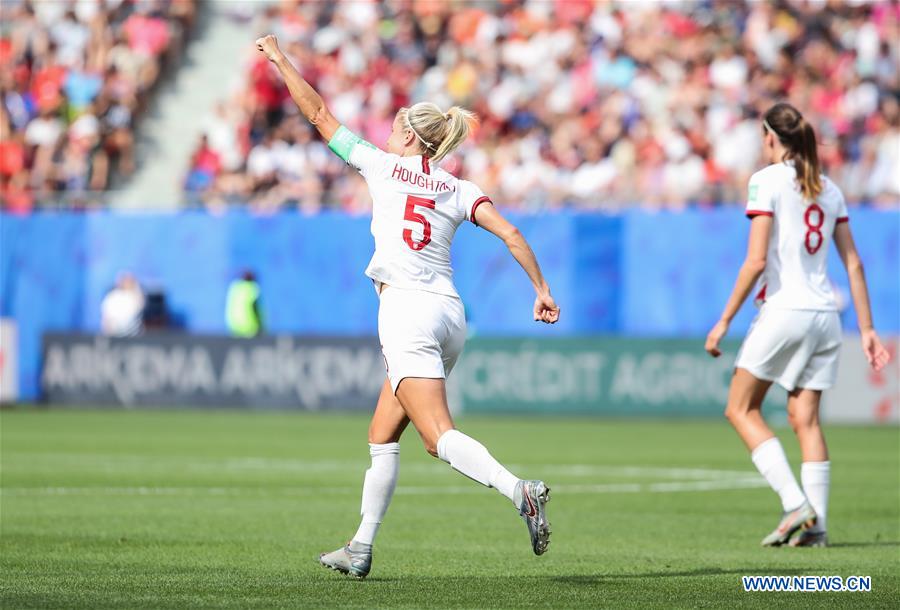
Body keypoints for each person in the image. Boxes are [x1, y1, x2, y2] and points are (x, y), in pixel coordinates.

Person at [256, 34, 561, 578]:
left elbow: (319, 113)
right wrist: (540, 289)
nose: (386, 134)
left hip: (406, 313)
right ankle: (360, 546)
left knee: (437, 436)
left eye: (395, 127)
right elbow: (511, 232)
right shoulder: (459, 187)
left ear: (410, 138)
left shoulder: (379, 166)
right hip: (449, 314)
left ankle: (521, 492)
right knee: (381, 434)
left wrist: (281, 60)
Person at [705, 103, 891, 548]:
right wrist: (866, 329)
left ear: (770, 137)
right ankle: (818, 527)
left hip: (785, 310)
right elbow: (854, 263)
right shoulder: (828, 187)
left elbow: (754, 261)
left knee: (740, 408)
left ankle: (794, 503)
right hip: (827, 315)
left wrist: (724, 319)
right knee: (804, 418)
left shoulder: (765, 181)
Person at [100, 272, 144, 337]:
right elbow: (105, 314)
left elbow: (140, 306)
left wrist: (135, 288)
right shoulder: (113, 295)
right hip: (113, 332)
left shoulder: (135, 295)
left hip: (132, 333)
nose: (127, 283)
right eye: (125, 281)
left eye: (130, 281)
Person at [226, 270, 263, 337]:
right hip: (249, 327)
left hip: (234, 326)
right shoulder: (252, 288)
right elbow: (255, 308)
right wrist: (260, 325)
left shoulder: (235, 288)